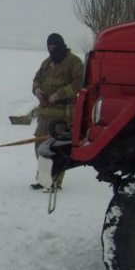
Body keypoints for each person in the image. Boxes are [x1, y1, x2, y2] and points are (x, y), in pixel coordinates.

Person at [31, 33, 84, 192]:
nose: (52, 50)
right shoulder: (47, 63)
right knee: (40, 147)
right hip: (45, 113)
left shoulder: (74, 62)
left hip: (62, 114)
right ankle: (43, 179)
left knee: (56, 148)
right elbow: (36, 79)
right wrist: (37, 90)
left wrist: (59, 94)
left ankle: (55, 181)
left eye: (54, 47)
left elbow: (79, 83)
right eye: (49, 47)